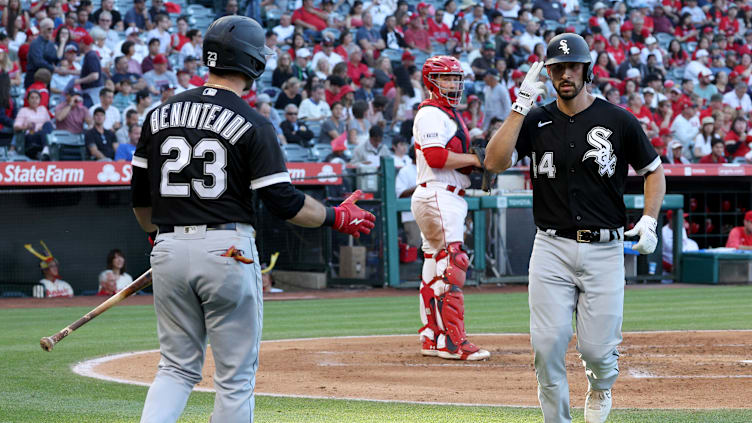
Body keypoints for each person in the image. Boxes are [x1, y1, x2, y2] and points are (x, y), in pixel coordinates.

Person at [131, 16, 375, 423]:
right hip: (227, 250)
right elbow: (283, 202)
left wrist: (158, 241)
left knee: (174, 368)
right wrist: (335, 216)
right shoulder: (254, 122)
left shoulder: (159, 114)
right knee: (234, 379)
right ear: (252, 63)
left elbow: (140, 201)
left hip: (169, 247)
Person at [484, 34, 666, 423]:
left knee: (599, 351)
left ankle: (600, 387)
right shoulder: (534, 119)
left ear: (587, 69)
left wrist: (649, 219)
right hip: (550, 246)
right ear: (547, 72)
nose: (565, 75)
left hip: (605, 248)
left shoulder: (618, 119)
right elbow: (494, 162)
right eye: (556, 68)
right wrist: (519, 106)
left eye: (572, 67)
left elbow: (654, 172)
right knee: (546, 346)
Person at [410, 55, 490, 362]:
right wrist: (473, 160)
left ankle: (432, 336)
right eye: (447, 78)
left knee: (434, 267)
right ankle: (453, 342)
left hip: (439, 195)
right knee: (452, 264)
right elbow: (436, 157)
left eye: (456, 78)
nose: (453, 84)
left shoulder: (445, 114)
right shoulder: (432, 114)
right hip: (439, 194)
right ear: (431, 81)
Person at [661, 210, 698, 274]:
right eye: (680, 218)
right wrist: (669, 267)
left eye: (683, 218)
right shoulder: (663, 233)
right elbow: (657, 257)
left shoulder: (681, 228)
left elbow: (684, 245)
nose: (683, 220)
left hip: (683, 265)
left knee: (693, 244)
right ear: (671, 220)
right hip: (668, 271)